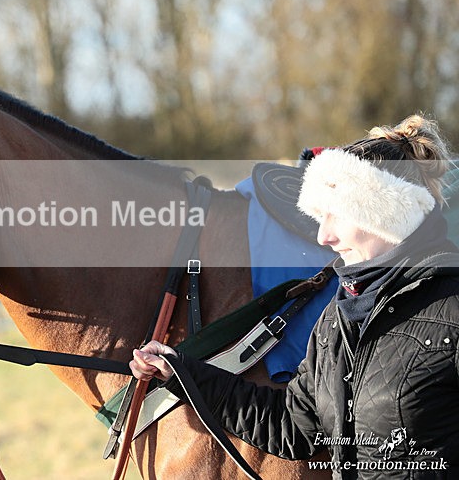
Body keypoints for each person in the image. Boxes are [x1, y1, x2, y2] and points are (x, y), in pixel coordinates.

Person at [131, 115, 459, 478]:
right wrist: (180, 371)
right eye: (320, 216)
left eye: (336, 215)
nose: (323, 236)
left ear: (386, 214)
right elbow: (292, 426)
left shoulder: (452, 308)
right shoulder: (338, 317)